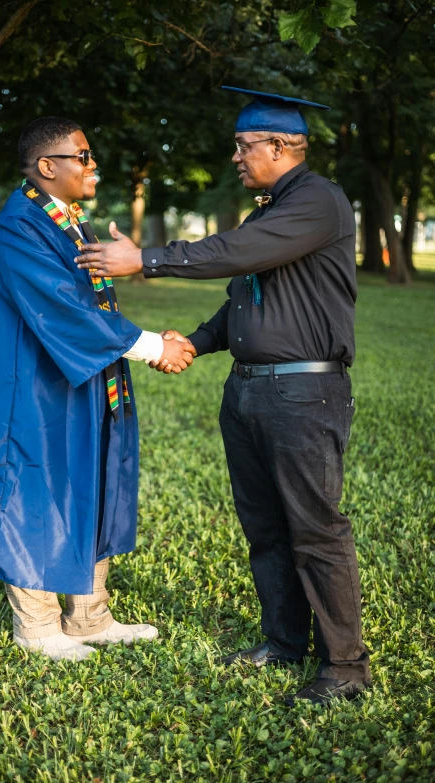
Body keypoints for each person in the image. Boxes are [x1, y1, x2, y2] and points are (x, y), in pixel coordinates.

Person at [74, 88, 372, 705]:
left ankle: (344, 666)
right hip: (250, 394)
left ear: (281, 146)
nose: (235, 156)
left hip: (304, 395)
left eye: (244, 145)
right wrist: (198, 342)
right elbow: (245, 292)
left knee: (315, 531)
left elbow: (231, 252)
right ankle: (285, 641)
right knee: (264, 528)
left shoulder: (317, 201)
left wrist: (146, 260)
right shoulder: (269, 210)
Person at [0, 116, 195, 662]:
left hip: (68, 379)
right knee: (33, 490)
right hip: (24, 389)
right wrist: (151, 346)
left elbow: (86, 306)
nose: (93, 165)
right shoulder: (18, 230)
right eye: (84, 156)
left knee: (88, 482)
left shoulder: (64, 221)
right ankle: (38, 625)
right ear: (49, 167)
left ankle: (90, 617)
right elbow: (64, 311)